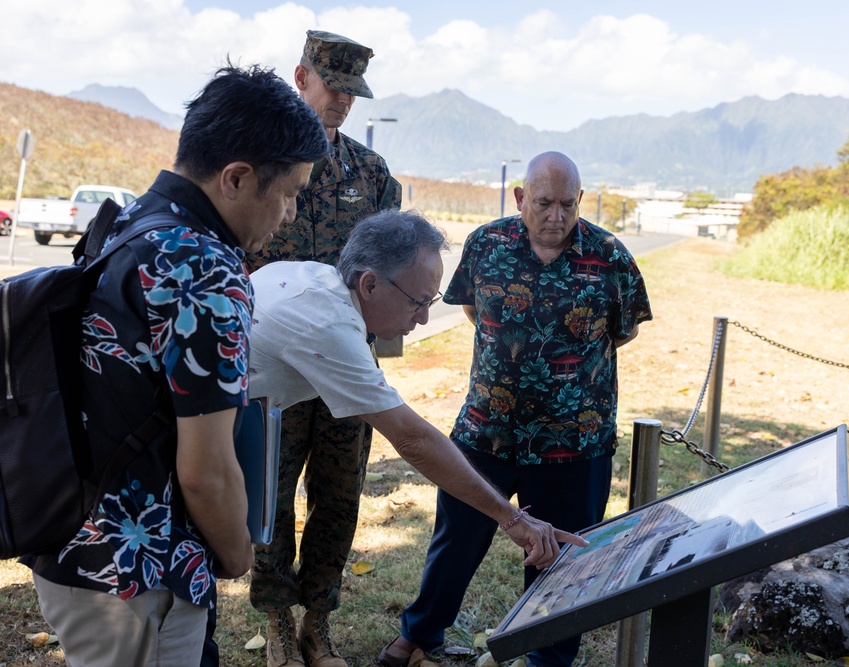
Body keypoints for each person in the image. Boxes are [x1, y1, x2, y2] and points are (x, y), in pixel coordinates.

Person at [22, 64, 328, 666]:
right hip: (137, 571)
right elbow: (205, 472)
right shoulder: (204, 268)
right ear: (237, 178)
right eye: (289, 192)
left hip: (74, 542)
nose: (289, 214)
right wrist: (239, 554)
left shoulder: (130, 223)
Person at [247, 209, 587, 667]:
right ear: (369, 284)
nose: (425, 319)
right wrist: (513, 519)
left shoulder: (318, 283)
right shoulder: (326, 325)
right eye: (417, 302)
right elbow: (412, 439)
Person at [380, 152, 653, 667]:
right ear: (521, 198)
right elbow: (470, 308)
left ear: (580, 200)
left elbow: (625, 330)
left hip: (576, 439)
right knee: (456, 540)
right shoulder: (487, 244)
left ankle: (548, 657)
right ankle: (419, 634)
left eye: (567, 204)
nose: (556, 215)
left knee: (563, 559)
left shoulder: (610, 254)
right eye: (545, 203)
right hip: (487, 431)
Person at [244, 29, 403, 667]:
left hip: (343, 365)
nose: (340, 100)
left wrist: (380, 353)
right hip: (274, 369)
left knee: (339, 495)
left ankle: (318, 622)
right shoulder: (261, 166)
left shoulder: (370, 174)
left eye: (350, 91)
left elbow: (390, 269)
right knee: (272, 496)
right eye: (330, 85)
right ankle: (278, 624)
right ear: (300, 77)